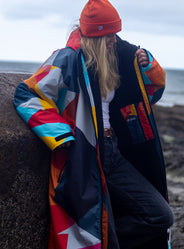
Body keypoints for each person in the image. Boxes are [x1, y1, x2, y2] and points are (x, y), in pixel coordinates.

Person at [14, 0, 174, 248]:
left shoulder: (115, 58)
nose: (115, 40)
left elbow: (146, 97)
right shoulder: (67, 58)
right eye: (109, 35)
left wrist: (148, 67)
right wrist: (62, 136)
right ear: (95, 35)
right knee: (93, 227)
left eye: (115, 33)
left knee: (161, 215)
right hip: (86, 155)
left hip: (114, 152)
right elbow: (27, 95)